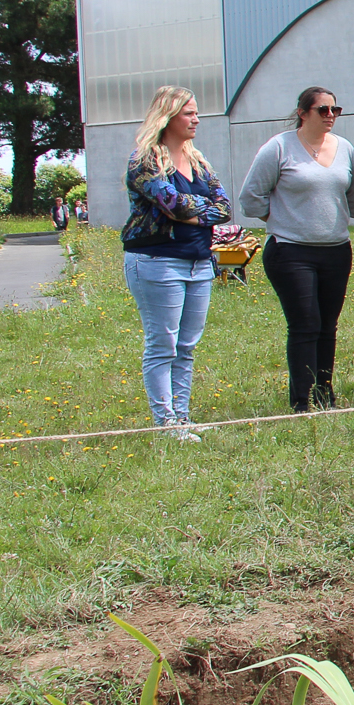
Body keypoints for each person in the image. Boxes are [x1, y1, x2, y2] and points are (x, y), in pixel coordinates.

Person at [239, 86, 354, 412]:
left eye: (335, 110)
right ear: (302, 112)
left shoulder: (346, 149)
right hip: (290, 251)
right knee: (305, 324)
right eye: (322, 109)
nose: (330, 116)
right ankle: (302, 401)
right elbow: (251, 197)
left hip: (336, 250)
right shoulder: (278, 148)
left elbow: (352, 197)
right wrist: (279, 217)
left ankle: (325, 393)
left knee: (327, 326)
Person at [120, 85, 230, 440]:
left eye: (196, 113)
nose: (196, 119)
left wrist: (191, 214)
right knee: (162, 344)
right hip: (157, 260)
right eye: (189, 113)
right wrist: (194, 211)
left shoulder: (199, 161)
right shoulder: (144, 161)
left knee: (186, 346)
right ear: (168, 116)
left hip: (198, 262)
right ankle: (165, 421)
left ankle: (181, 418)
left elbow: (224, 208)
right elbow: (174, 205)